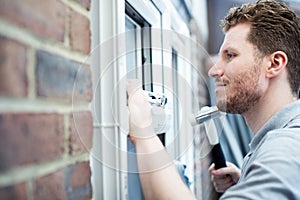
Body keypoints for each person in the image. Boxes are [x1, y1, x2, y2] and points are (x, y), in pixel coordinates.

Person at [126, 0, 300, 199]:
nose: (213, 71)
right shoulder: (280, 146)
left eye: (231, 55)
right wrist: (245, 184)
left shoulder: (285, 152)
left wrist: (144, 132)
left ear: (274, 64)